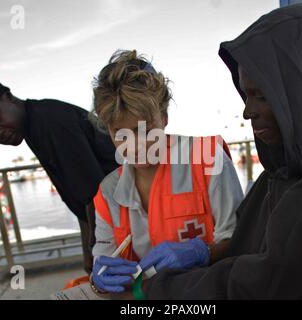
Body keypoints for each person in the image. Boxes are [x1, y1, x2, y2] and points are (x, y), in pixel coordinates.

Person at [128, 4, 302, 299]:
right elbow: (247, 250)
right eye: (245, 94)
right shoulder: (282, 169)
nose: (247, 111)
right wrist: (204, 252)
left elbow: (273, 285)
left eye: (262, 96)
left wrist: (153, 291)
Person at [0, 58, 119, 275]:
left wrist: (95, 252)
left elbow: (95, 196)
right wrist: (87, 253)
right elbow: (82, 200)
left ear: (8, 96)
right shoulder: (34, 125)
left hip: (134, 213)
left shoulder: (49, 121)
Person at [88, 50, 243, 293]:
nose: (135, 145)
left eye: (146, 130)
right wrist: (100, 276)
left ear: (165, 117)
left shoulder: (209, 159)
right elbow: (104, 255)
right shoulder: (108, 192)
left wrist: (203, 252)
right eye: (120, 133)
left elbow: (242, 242)